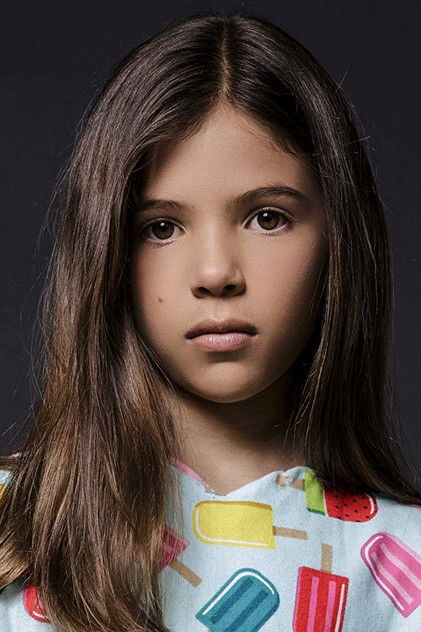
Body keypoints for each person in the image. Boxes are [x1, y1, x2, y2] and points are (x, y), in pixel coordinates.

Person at [0, 9, 420, 632]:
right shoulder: (12, 528)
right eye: (161, 228)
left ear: (340, 239)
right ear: (106, 252)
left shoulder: (403, 560)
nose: (216, 272)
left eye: (268, 217)